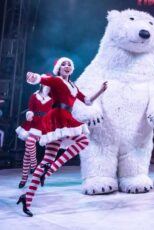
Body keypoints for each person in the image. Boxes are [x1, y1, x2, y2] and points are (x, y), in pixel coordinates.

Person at [17, 57, 108, 217]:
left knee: (47, 160)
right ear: (58, 69)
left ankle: (27, 198)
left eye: (69, 65)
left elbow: (87, 101)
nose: (67, 66)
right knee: (83, 140)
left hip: (66, 117)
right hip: (56, 117)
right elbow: (42, 79)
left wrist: (100, 91)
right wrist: (34, 77)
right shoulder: (56, 81)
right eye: (64, 64)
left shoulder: (73, 86)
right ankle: (49, 171)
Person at [15, 85, 53, 188]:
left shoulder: (52, 97)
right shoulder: (34, 95)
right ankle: (32, 166)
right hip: (33, 122)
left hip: (45, 124)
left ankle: (27, 174)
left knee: (29, 146)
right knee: (29, 147)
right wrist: (29, 115)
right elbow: (30, 109)